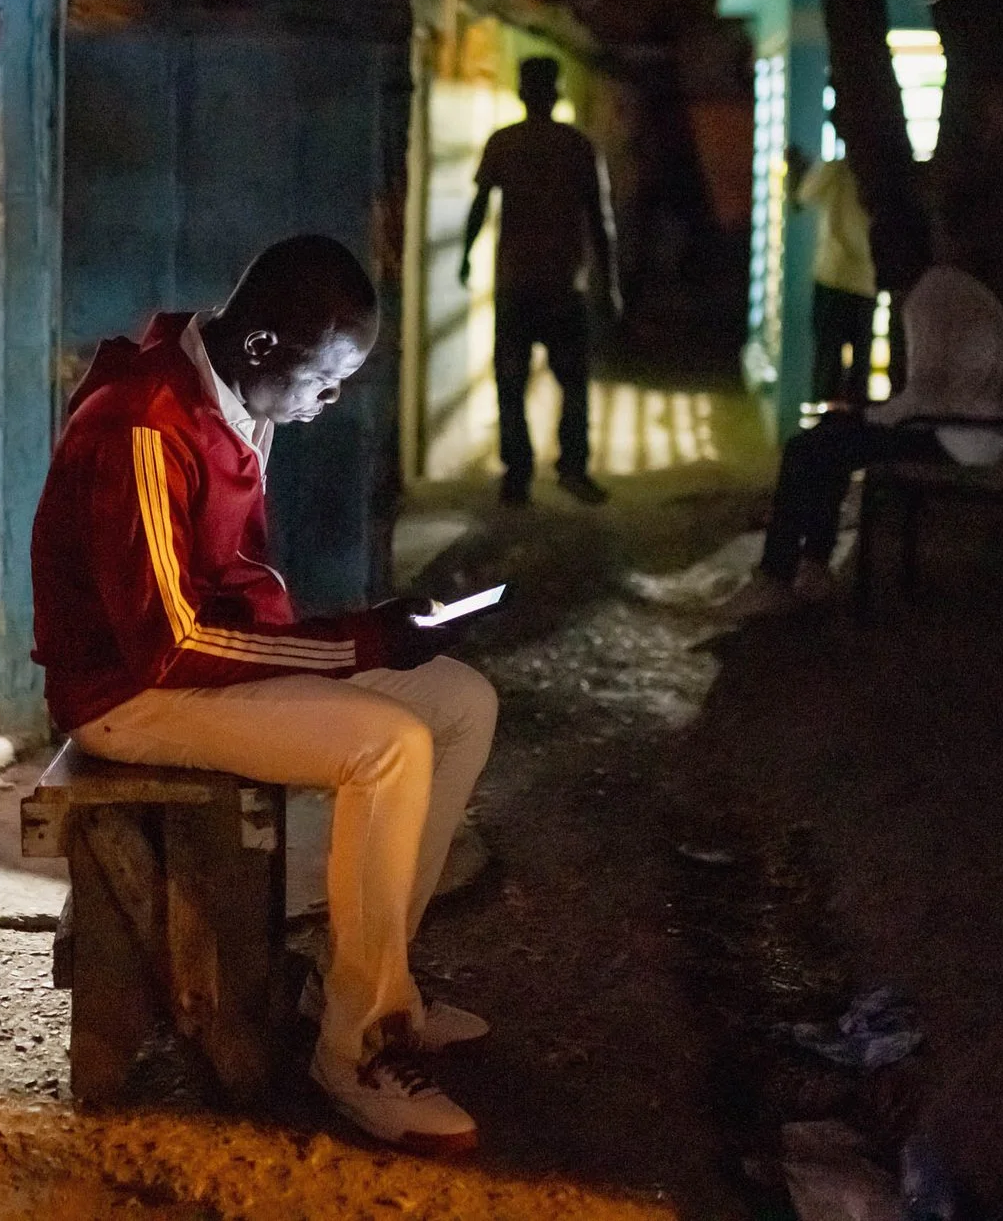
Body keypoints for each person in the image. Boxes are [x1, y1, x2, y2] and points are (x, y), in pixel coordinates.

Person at [33, 234, 499, 1153]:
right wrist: (357, 641)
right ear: (259, 350)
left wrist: (366, 637)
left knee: (460, 702)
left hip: (194, 658)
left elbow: (224, 597)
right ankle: (356, 1051)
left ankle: (361, 978)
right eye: (326, 379)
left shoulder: (232, 395)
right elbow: (167, 641)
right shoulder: (142, 423)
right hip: (128, 690)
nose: (332, 400)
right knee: (390, 745)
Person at [723, 265, 1003, 619]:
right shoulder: (945, 287)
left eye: (884, 246)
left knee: (807, 449)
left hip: (960, 436)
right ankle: (813, 566)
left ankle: (777, 577)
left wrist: (863, 417)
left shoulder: (926, 300)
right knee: (829, 442)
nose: (875, 260)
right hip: (977, 429)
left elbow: (922, 395)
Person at [461, 56, 620, 507]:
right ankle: (572, 469)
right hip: (564, 284)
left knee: (509, 382)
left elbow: (479, 205)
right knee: (574, 382)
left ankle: (517, 475)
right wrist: (609, 284)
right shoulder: (578, 146)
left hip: (515, 283)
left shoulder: (503, 143)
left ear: (521, 92)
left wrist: (465, 256)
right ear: (556, 93)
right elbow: (600, 220)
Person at [790, 139, 876, 404]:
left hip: (833, 275)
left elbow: (802, 197)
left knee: (827, 362)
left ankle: (824, 430)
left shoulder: (836, 168)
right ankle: (855, 430)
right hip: (868, 281)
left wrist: (798, 168)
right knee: (861, 367)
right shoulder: (883, 174)